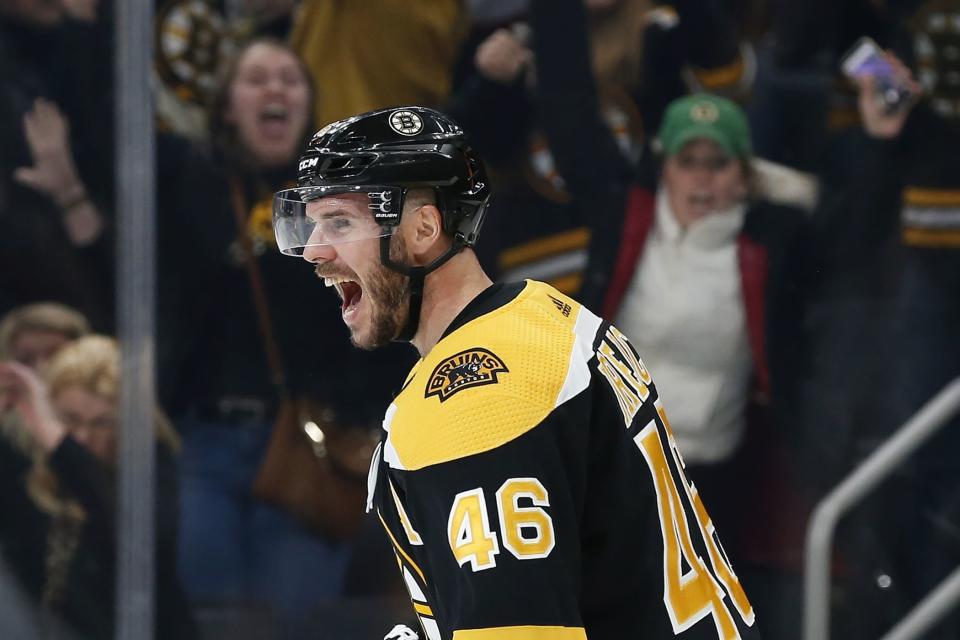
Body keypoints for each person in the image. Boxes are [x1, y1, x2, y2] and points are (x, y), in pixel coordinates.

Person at [271, 105, 761, 638]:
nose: (314, 251)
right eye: (313, 223)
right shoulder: (542, 315)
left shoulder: (474, 391)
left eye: (340, 222)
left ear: (423, 227)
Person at [0, 335, 196, 639]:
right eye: (69, 419)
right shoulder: (24, 458)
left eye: (102, 423)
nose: (81, 437)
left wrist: (58, 440)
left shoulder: (151, 462)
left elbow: (139, 536)